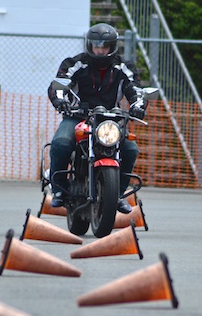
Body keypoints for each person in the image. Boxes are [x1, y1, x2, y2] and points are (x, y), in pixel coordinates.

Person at [47, 23, 146, 214]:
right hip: (78, 117)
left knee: (130, 149)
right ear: (90, 46)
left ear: (112, 47)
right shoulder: (75, 63)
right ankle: (59, 189)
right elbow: (59, 84)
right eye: (96, 46)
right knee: (61, 143)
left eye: (104, 46)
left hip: (110, 121)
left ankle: (116, 193)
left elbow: (135, 89)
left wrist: (138, 105)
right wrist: (60, 100)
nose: (100, 50)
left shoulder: (123, 67)